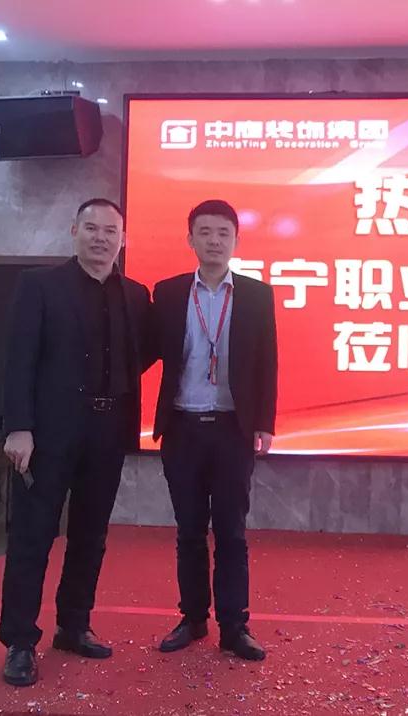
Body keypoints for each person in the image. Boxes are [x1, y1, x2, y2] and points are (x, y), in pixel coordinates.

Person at [0, 199, 153, 686]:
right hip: (48, 431)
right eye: (92, 228)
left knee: (91, 534)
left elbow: (143, 353)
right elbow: (19, 359)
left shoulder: (136, 294)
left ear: (123, 239)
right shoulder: (40, 286)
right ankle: (20, 642)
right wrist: (19, 426)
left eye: (110, 230)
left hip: (108, 429)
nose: (101, 237)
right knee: (33, 536)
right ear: (74, 231)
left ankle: (73, 625)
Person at [150, 199, 277, 661]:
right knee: (188, 530)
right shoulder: (168, 293)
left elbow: (267, 362)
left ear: (236, 241)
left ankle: (234, 626)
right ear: (190, 240)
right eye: (205, 232)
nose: (214, 241)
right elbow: (149, 349)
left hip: (232, 430)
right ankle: (192, 618)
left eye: (223, 233)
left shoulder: (257, 295)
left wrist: (265, 423)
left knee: (231, 532)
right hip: (183, 427)